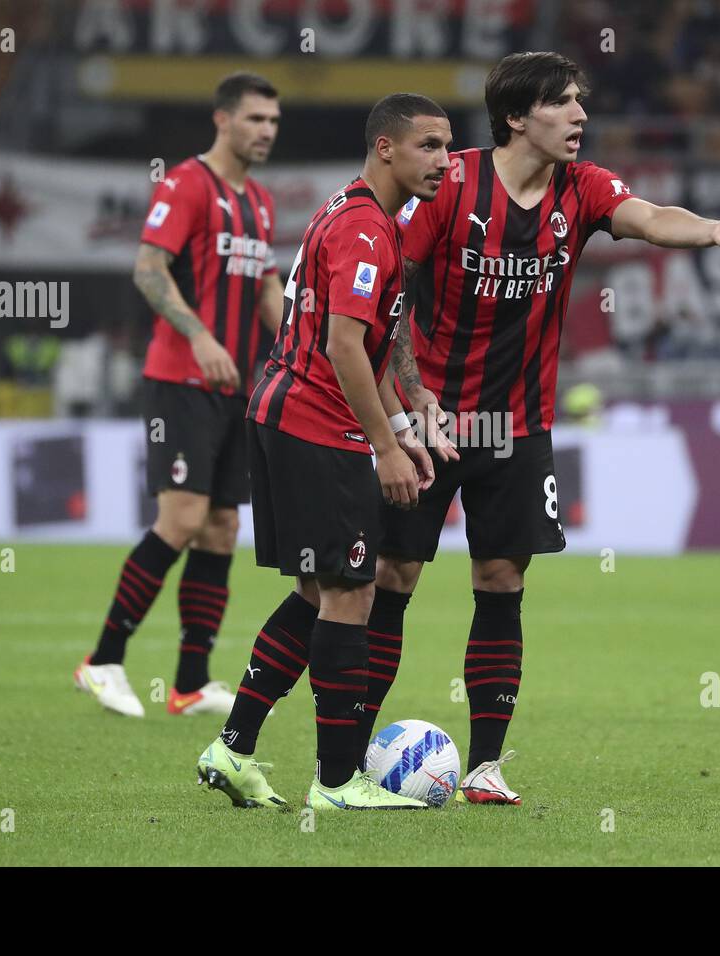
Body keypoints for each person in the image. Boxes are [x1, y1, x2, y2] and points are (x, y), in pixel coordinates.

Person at [369, 51, 720, 804]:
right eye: (562, 102)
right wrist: (410, 396)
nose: (580, 114)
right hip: (432, 420)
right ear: (518, 116)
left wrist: (710, 231)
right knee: (393, 577)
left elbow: (650, 218)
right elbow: (394, 286)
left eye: (581, 100)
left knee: (502, 579)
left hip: (518, 426)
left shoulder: (581, 189)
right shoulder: (450, 182)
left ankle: (485, 767)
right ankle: (355, 748)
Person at [195, 93, 454, 811]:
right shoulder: (369, 231)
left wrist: (403, 428)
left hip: (289, 416)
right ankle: (338, 783)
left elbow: (372, 344)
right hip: (315, 424)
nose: (443, 161)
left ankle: (233, 747)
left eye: (448, 146)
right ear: (386, 148)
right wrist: (386, 448)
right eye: (429, 146)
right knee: (352, 592)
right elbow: (344, 345)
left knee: (318, 590)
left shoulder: (358, 215)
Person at [73, 73, 283, 718]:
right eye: (254, 119)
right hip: (180, 380)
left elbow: (267, 284)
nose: (266, 131)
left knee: (221, 528)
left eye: (273, 121)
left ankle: (191, 682)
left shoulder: (262, 203)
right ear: (222, 120)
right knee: (183, 519)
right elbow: (147, 267)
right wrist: (198, 336)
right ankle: (103, 661)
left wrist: (302, 346)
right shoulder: (187, 184)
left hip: (236, 388)